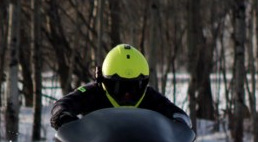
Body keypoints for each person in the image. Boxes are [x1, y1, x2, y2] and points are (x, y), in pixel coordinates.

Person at [50, 44, 191, 130]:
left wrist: (180, 122)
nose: (127, 95)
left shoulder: (150, 97)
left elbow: (177, 113)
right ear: (105, 81)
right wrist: (62, 116)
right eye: (120, 87)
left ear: (143, 84)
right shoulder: (93, 92)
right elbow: (62, 104)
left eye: (134, 87)